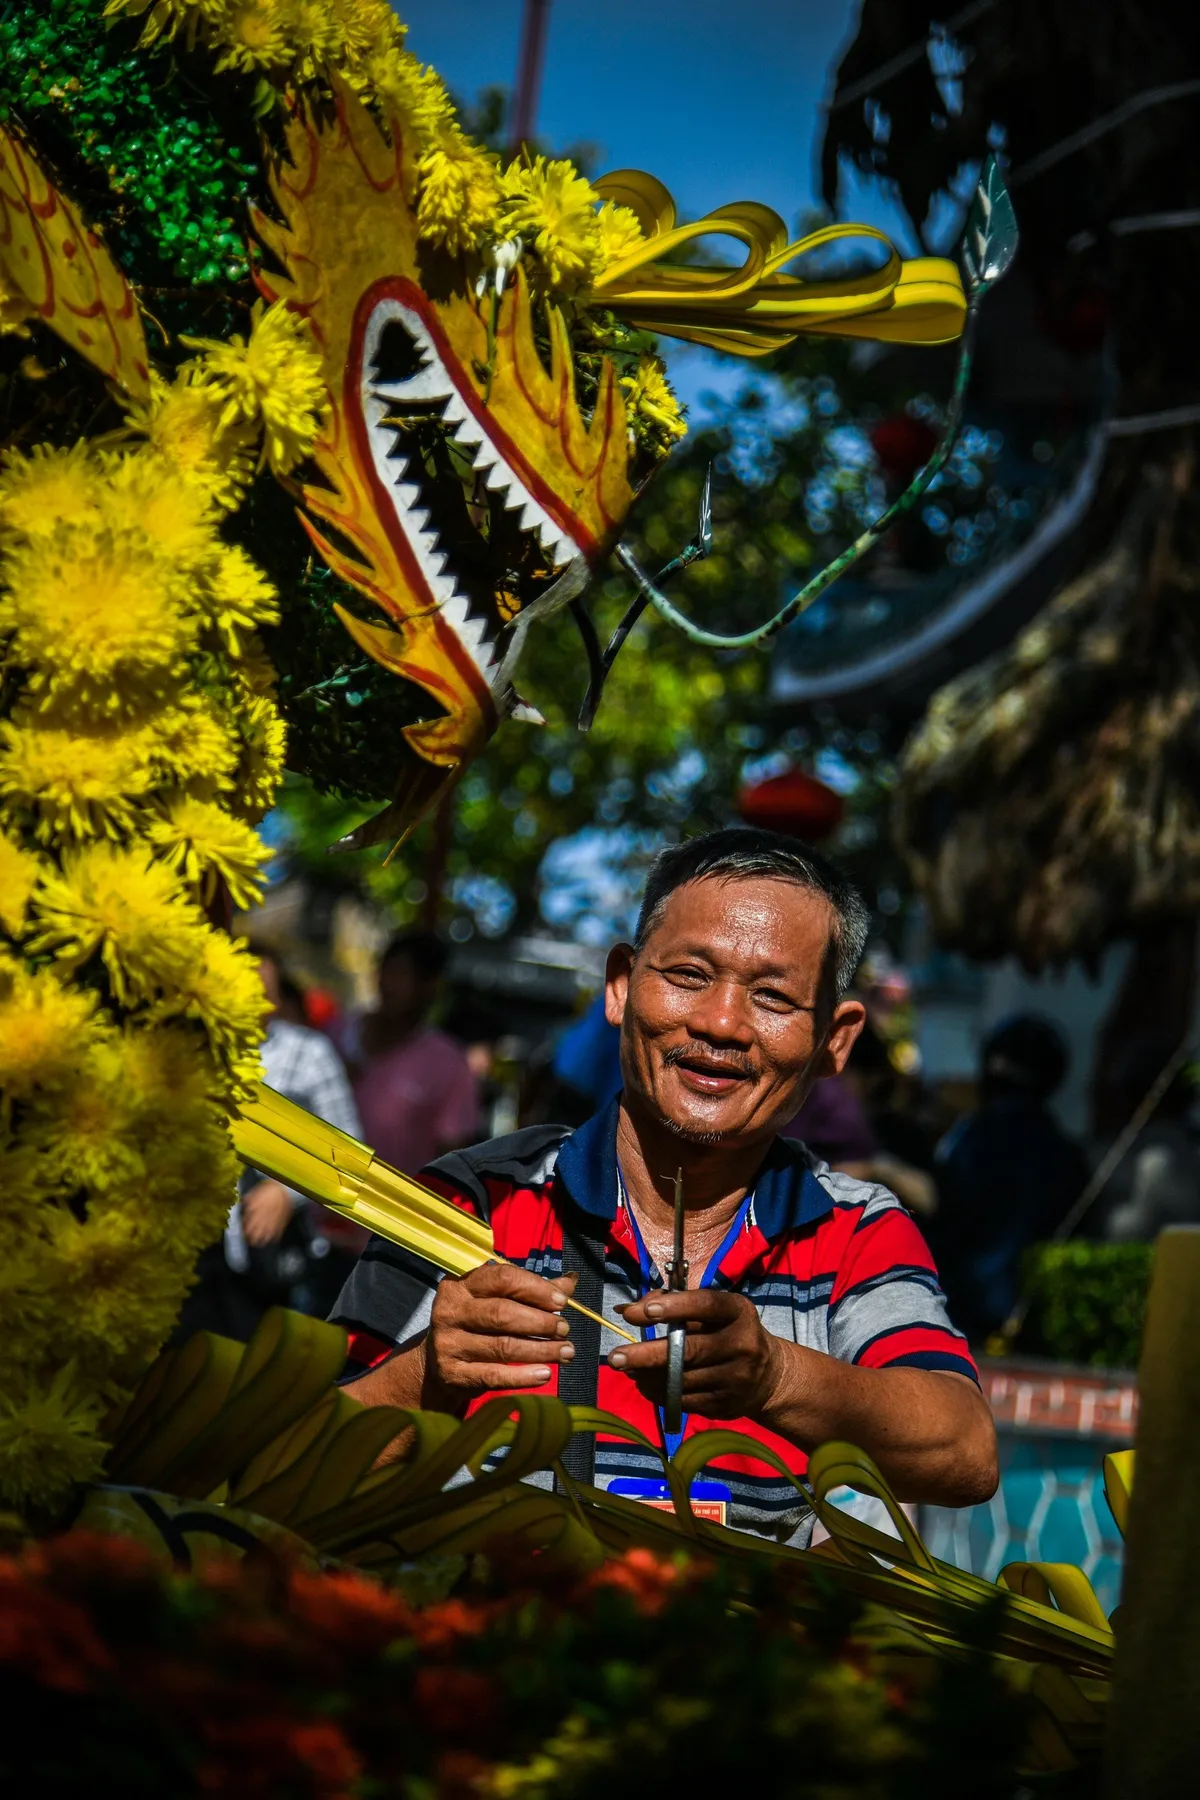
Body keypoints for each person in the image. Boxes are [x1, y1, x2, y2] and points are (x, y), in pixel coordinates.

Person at [334, 829, 996, 1548]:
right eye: (687, 975)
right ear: (620, 986)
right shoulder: (474, 1201)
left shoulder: (854, 1231)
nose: (720, 1023)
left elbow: (965, 1452)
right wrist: (422, 1375)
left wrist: (775, 1377)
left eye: (773, 996)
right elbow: (298, 1465)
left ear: (835, 1041)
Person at [176, 947, 362, 1340]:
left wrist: (286, 1191)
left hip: (269, 1259)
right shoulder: (185, 1047)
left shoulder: (310, 1054)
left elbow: (349, 1153)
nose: (253, 999)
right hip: (185, 1251)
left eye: (264, 990)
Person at [933, 1014, 1089, 1344]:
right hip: (1029, 1319)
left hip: (954, 1309)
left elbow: (942, 1211)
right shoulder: (1065, 1152)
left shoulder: (966, 1138)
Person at [339, 930, 480, 1176]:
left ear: (431, 987)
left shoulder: (449, 1064)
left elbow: (453, 1157)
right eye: (387, 970)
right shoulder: (336, 1033)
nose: (390, 983)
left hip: (384, 1210)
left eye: (404, 974)